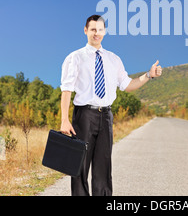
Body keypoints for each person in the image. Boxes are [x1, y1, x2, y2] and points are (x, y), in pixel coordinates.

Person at [60, 14, 162, 196]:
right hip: (83, 115)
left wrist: (149, 75)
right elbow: (66, 90)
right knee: (80, 168)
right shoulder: (75, 58)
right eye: (92, 30)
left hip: (106, 116)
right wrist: (64, 120)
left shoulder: (113, 59)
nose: (96, 33)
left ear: (105, 32)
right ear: (85, 31)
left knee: (103, 168)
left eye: (100, 30)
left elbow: (128, 85)